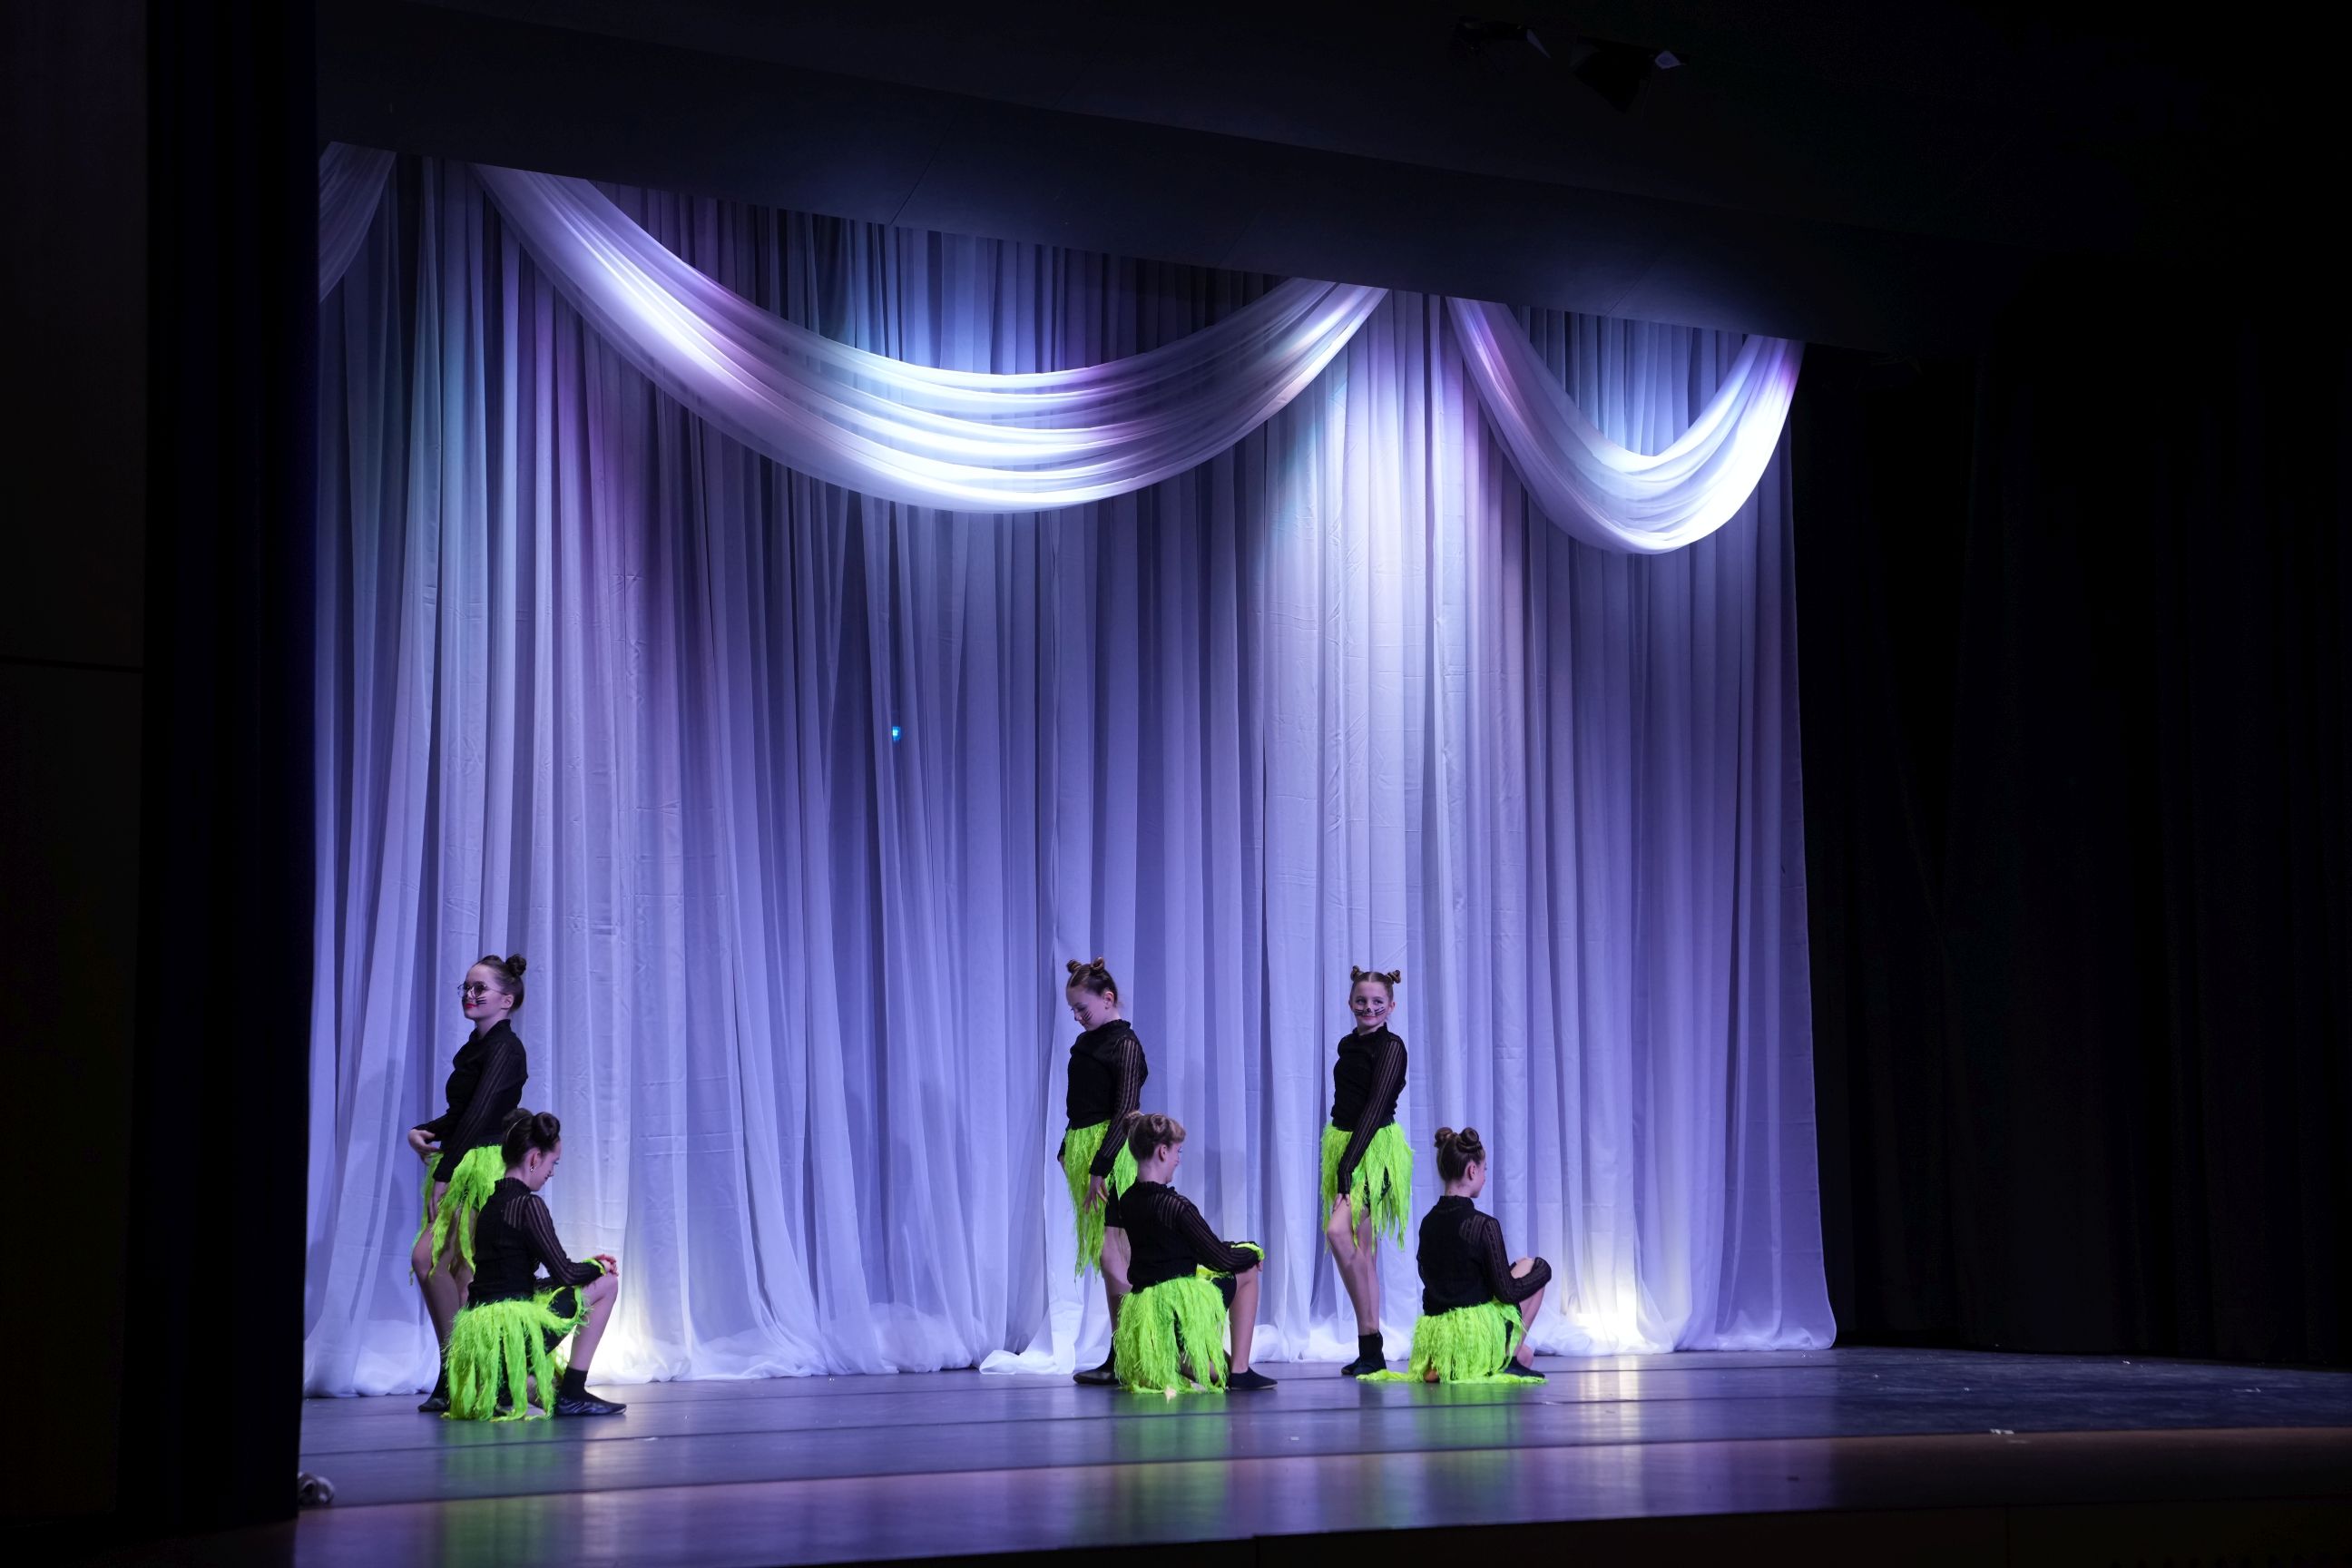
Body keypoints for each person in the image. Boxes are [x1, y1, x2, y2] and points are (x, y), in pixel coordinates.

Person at [442, 1110, 625, 1419]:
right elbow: (565, 1273)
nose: (551, 1172)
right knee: (608, 1284)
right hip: (509, 1336)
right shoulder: (527, 1205)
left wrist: (586, 1267)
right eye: (553, 1163)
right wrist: (598, 1267)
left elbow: (512, 1283)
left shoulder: (490, 1206)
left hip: (482, 1341)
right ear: (535, 1158)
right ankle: (573, 1394)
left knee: (546, 1387)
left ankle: (506, 1385)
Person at [408, 953, 531, 1412]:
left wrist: (444, 1172)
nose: (471, 994)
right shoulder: (477, 1046)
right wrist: (424, 1130)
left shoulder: (505, 1048)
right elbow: (463, 1114)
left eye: (480, 988)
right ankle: (457, 1374)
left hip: (482, 1167)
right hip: (465, 1158)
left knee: (444, 1264)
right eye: (467, 987)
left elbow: (482, 1115)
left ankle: (461, 1374)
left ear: (507, 999)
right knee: (450, 1269)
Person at [1111, 1114, 1277, 1395]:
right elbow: (1220, 1259)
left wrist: (1237, 1248)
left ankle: (1178, 1357)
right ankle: (1240, 1370)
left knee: (1217, 1371)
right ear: (1163, 1151)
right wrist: (1252, 1252)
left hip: (1148, 1313)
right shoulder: (1175, 1206)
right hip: (1177, 1311)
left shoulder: (1127, 1200)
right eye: (1178, 1152)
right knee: (1247, 1271)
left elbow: (1184, 1247)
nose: (1178, 1160)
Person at [1369, 1126, 1550, 1383]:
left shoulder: (1428, 1222)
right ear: (1472, 1170)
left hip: (1437, 1335)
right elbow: (1507, 1292)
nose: (1485, 1177)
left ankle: (1445, 1362)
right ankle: (1507, 1358)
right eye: (1484, 1170)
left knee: (1528, 1352)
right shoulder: (1483, 1225)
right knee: (1531, 1266)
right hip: (1472, 1333)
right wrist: (1544, 1269)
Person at [1056, 957, 1149, 1386]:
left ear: (1107, 999)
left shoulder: (1124, 1044)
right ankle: (1120, 1352)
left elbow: (1126, 1112)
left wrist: (1100, 1166)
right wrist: (1066, 1148)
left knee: (1116, 1256)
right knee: (1107, 1256)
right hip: (1085, 1152)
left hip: (1112, 1156)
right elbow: (1081, 1103)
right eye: (1073, 1010)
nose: (1077, 1017)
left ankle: (1134, 1352)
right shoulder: (1086, 1042)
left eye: (1082, 1008)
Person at [1323, 965, 1410, 1376]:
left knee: (1338, 1232)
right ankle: (1369, 1349)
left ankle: (1372, 1344)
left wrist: (1348, 1165)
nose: (1368, 1008)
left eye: (1377, 1002)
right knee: (1363, 1250)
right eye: (1361, 1001)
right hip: (1344, 1144)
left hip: (1373, 1151)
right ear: (1350, 1002)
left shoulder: (1391, 1048)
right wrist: (1340, 1156)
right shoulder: (1347, 1044)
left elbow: (1375, 1110)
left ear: (1391, 1007)